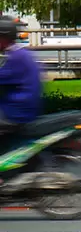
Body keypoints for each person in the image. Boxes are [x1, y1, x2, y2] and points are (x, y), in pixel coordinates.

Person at [0, 15, 42, 151]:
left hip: (17, 111)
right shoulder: (20, 53)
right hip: (23, 107)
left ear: (3, 38)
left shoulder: (16, 57)